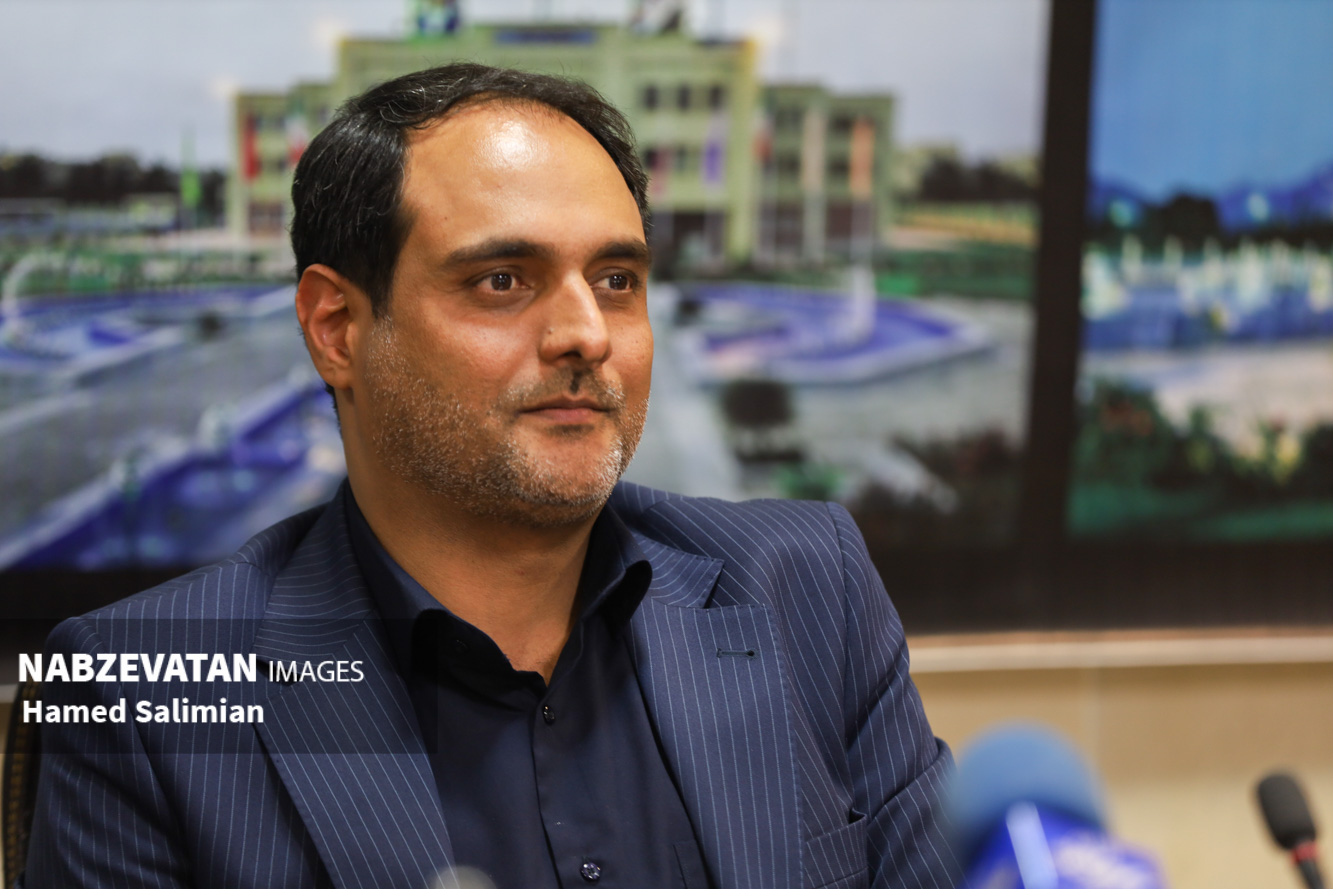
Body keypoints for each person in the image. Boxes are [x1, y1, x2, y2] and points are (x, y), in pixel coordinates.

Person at [23, 63, 959, 889]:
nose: (586, 334)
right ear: (337, 329)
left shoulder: (809, 588)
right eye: (502, 279)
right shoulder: (143, 700)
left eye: (616, 279)